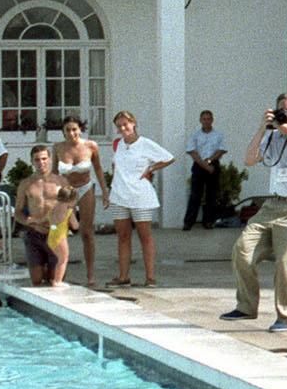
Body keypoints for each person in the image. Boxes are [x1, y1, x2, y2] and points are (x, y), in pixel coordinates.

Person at [221, 93, 287, 332]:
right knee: (242, 251)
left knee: (286, 261)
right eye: (284, 113)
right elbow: (249, 160)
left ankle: (285, 316)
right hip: (273, 205)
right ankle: (246, 306)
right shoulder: (272, 135)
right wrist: (263, 128)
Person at [105, 111, 173, 288]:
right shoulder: (118, 144)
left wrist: (151, 169)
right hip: (119, 195)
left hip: (140, 196)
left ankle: (150, 277)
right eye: (119, 126)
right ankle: (123, 276)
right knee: (123, 236)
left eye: (125, 124)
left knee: (145, 237)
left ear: (133, 123)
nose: (123, 128)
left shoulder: (145, 144)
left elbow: (168, 158)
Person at [54, 115, 104, 287]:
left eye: (74, 129)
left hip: (85, 188)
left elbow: (98, 169)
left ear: (80, 129)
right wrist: (52, 195)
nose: (71, 133)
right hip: (66, 190)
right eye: (67, 130)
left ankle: (90, 275)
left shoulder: (91, 146)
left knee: (87, 232)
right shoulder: (58, 147)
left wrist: (105, 192)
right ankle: (61, 272)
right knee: (60, 232)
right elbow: (54, 173)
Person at [14, 145, 64, 286]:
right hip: (34, 234)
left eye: (44, 159)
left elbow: (70, 206)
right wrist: (29, 221)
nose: (41, 162)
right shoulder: (26, 184)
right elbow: (17, 212)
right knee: (36, 280)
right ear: (32, 161)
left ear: (49, 159)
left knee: (54, 280)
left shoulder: (60, 181)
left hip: (54, 233)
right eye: (37, 159)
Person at [183, 109, 227, 230]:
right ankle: (188, 222)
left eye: (209, 119)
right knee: (195, 195)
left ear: (212, 120)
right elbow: (192, 152)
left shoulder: (218, 135)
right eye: (204, 119)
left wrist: (210, 161)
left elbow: (221, 150)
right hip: (199, 165)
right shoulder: (195, 135)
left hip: (213, 164)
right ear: (200, 120)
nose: (206, 121)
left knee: (211, 195)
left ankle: (208, 221)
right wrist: (205, 165)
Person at [45, 182, 77, 286]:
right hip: (60, 236)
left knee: (58, 258)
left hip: (51, 236)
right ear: (71, 200)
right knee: (63, 259)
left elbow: (47, 219)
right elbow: (76, 226)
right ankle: (57, 281)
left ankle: (54, 279)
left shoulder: (53, 208)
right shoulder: (69, 211)